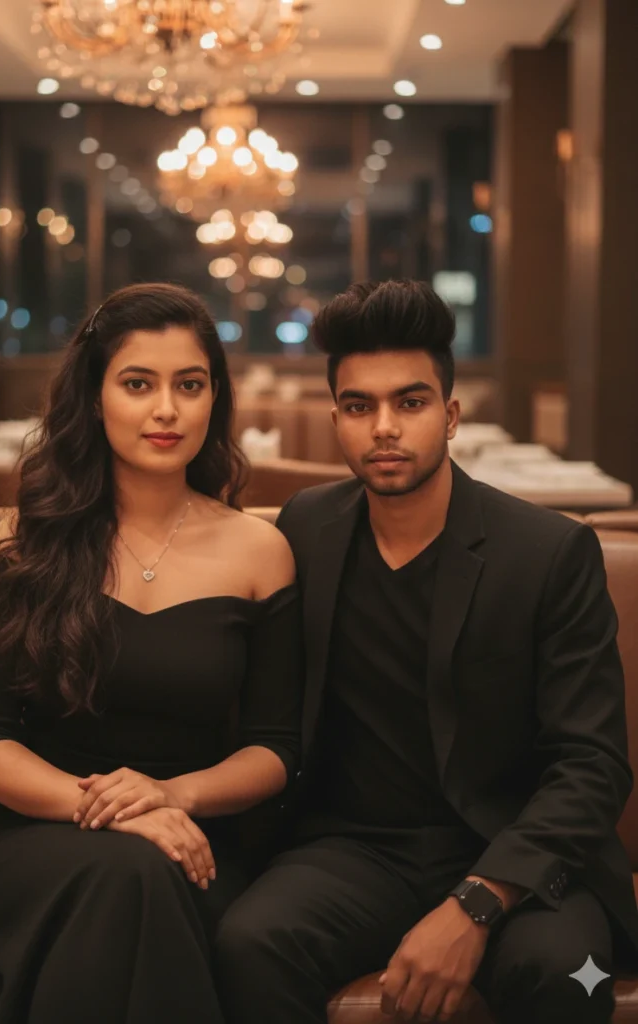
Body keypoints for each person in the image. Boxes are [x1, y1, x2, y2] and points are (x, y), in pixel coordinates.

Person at [217, 279, 638, 1024]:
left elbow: (592, 762)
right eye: (358, 406)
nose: (383, 427)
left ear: (448, 416)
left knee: (564, 972)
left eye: (408, 403)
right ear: (336, 419)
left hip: (515, 849)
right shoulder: (304, 529)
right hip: (352, 850)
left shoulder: (546, 551)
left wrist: (477, 901)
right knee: (249, 941)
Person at [0, 282, 301, 1024]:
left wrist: (173, 797)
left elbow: (274, 749)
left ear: (216, 400)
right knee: (131, 873)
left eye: (190, 385)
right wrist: (107, 810)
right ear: (96, 395)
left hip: (193, 840)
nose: (166, 409)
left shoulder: (260, 551)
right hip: (29, 838)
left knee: (143, 877)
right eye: (138, 383)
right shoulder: (22, 540)